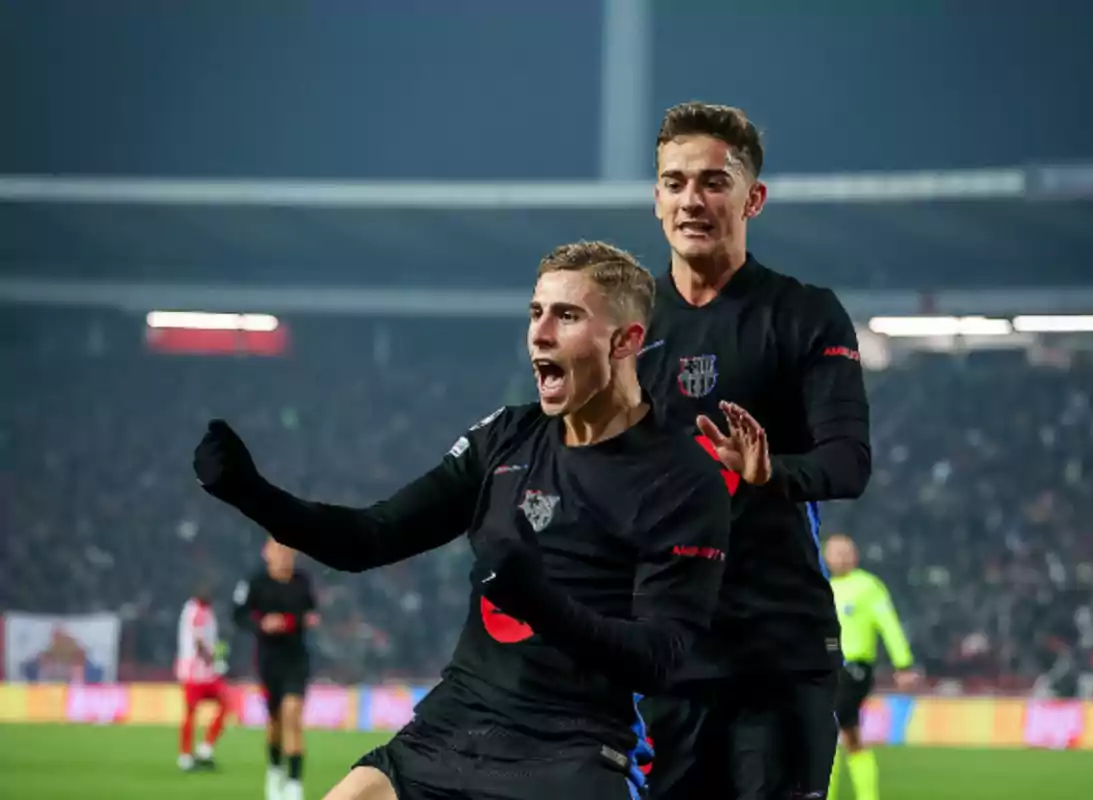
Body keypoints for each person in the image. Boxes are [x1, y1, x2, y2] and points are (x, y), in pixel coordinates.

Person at [193, 240, 734, 800]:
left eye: (567, 316)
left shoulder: (682, 478)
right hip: (452, 731)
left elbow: (658, 659)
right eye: (536, 313)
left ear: (627, 340)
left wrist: (540, 601)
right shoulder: (506, 437)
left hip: (574, 751)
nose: (540, 333)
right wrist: (251, 493)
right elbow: (368, 538)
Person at [636, 101, 873, 800]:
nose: (692, 200)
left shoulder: (804, 314)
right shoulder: (626, 325)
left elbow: (848, 461)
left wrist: (771, 473)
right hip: (665, 657)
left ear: (753, 197)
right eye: (674, 182)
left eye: (713, 181)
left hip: (778, 649)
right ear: (656, 200)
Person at [824, 534, 918, 800]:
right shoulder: (824, 586)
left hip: (855, 668)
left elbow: (888, 623)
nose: (841, 556)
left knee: (834, 724)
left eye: (846, 551)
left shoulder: (868, 586)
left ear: (856, 555)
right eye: (835, 552)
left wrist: (904, 663)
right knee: (841, 734)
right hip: (828, 668)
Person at [232, 538, 320, 800]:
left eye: (288, 550)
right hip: (269, 659)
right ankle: (274, 771)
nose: (284, 555)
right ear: (266, 553)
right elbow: (239, 615)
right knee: (275, 721)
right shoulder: (255, 583)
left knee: (293, 714)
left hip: (296, 658)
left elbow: (311, 612)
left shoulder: (302, 581)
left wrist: (305, 620)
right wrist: (262, 623)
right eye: (278, 550)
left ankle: (294, 785)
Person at [176, 584, 230, 771]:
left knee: (224, 703)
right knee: (193, 711)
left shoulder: (197, 609)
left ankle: (200, 750)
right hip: (197, 672)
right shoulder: (197, 611)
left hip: (201, 671)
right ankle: (190, 754)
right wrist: (213, 661)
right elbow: (198, 642)